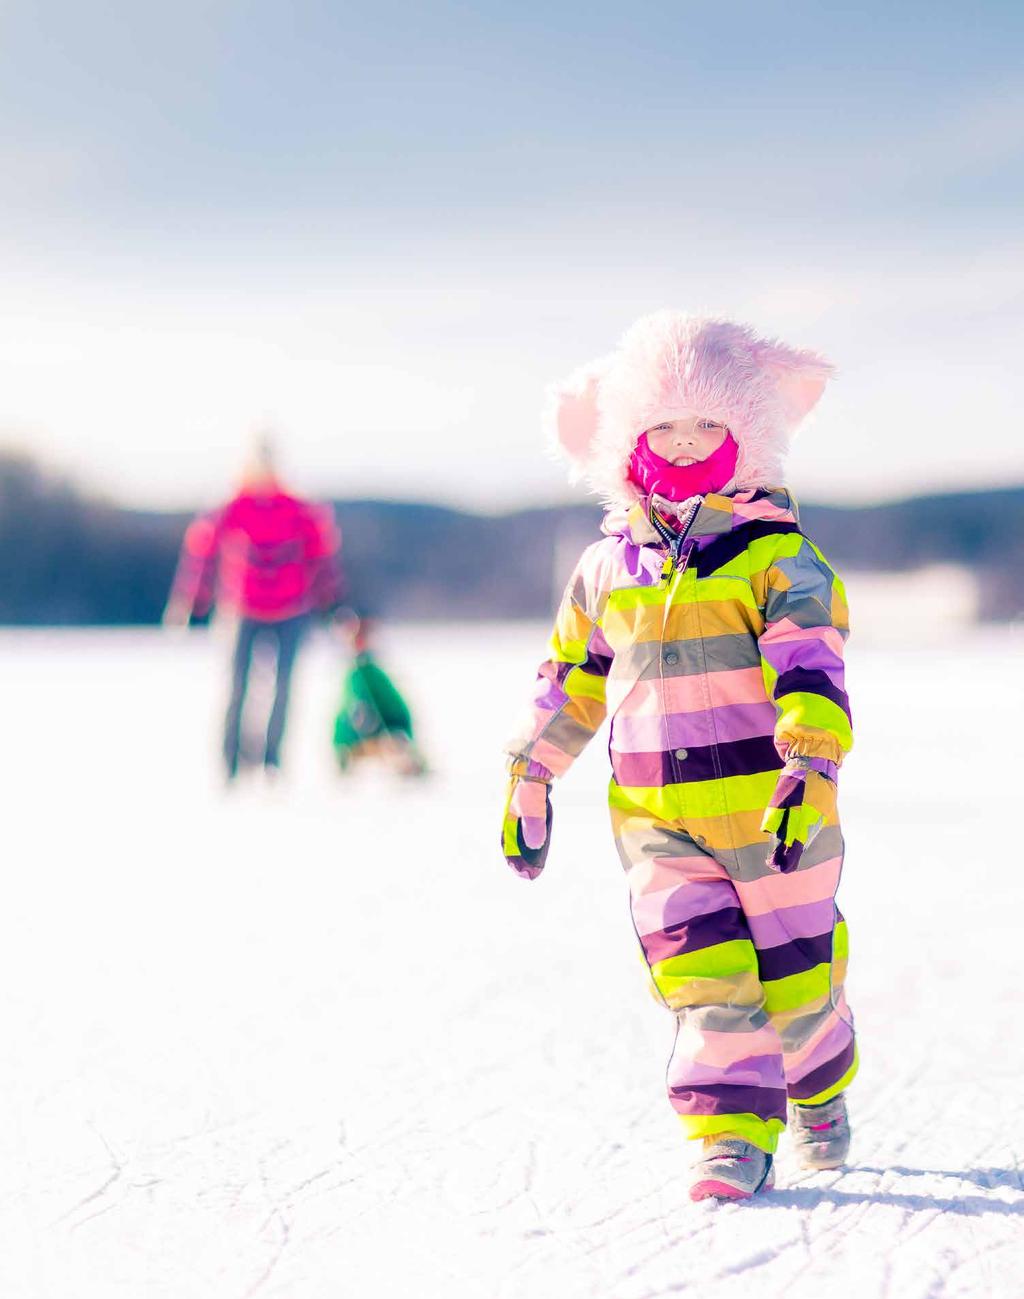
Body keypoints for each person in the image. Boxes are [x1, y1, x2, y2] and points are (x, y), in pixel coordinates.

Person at [501, 312, 855, 1202]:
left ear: (747, 439)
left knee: (798, 985)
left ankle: (817, 1084)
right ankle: (730, 1134)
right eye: (666, 426)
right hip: (660, 820)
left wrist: (810, 764)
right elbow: (573, 675)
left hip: (778, 811)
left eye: (709, 426)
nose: (687, 442)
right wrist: (534, 768)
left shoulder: (778, 557)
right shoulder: (606, 568)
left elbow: (811, 660)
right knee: (704, 978)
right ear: (629, 440)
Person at [165, 440, 343, 781]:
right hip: (242, 610)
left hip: (291, 610)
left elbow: (321, 556)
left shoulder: (299, 510)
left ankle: (270, 763)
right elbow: (202, 553)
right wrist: (190, 599)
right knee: (237, 687)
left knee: (283, 689)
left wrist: (331, 600)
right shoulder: (232, 507)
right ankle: (230, 765)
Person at [332, 615, 427, 777]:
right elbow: (348, 713)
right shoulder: (355, 676)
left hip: (387, 733)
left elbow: (397, 708)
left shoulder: (376, 674)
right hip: (357, 737)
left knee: (393, 743)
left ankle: (406, 763)